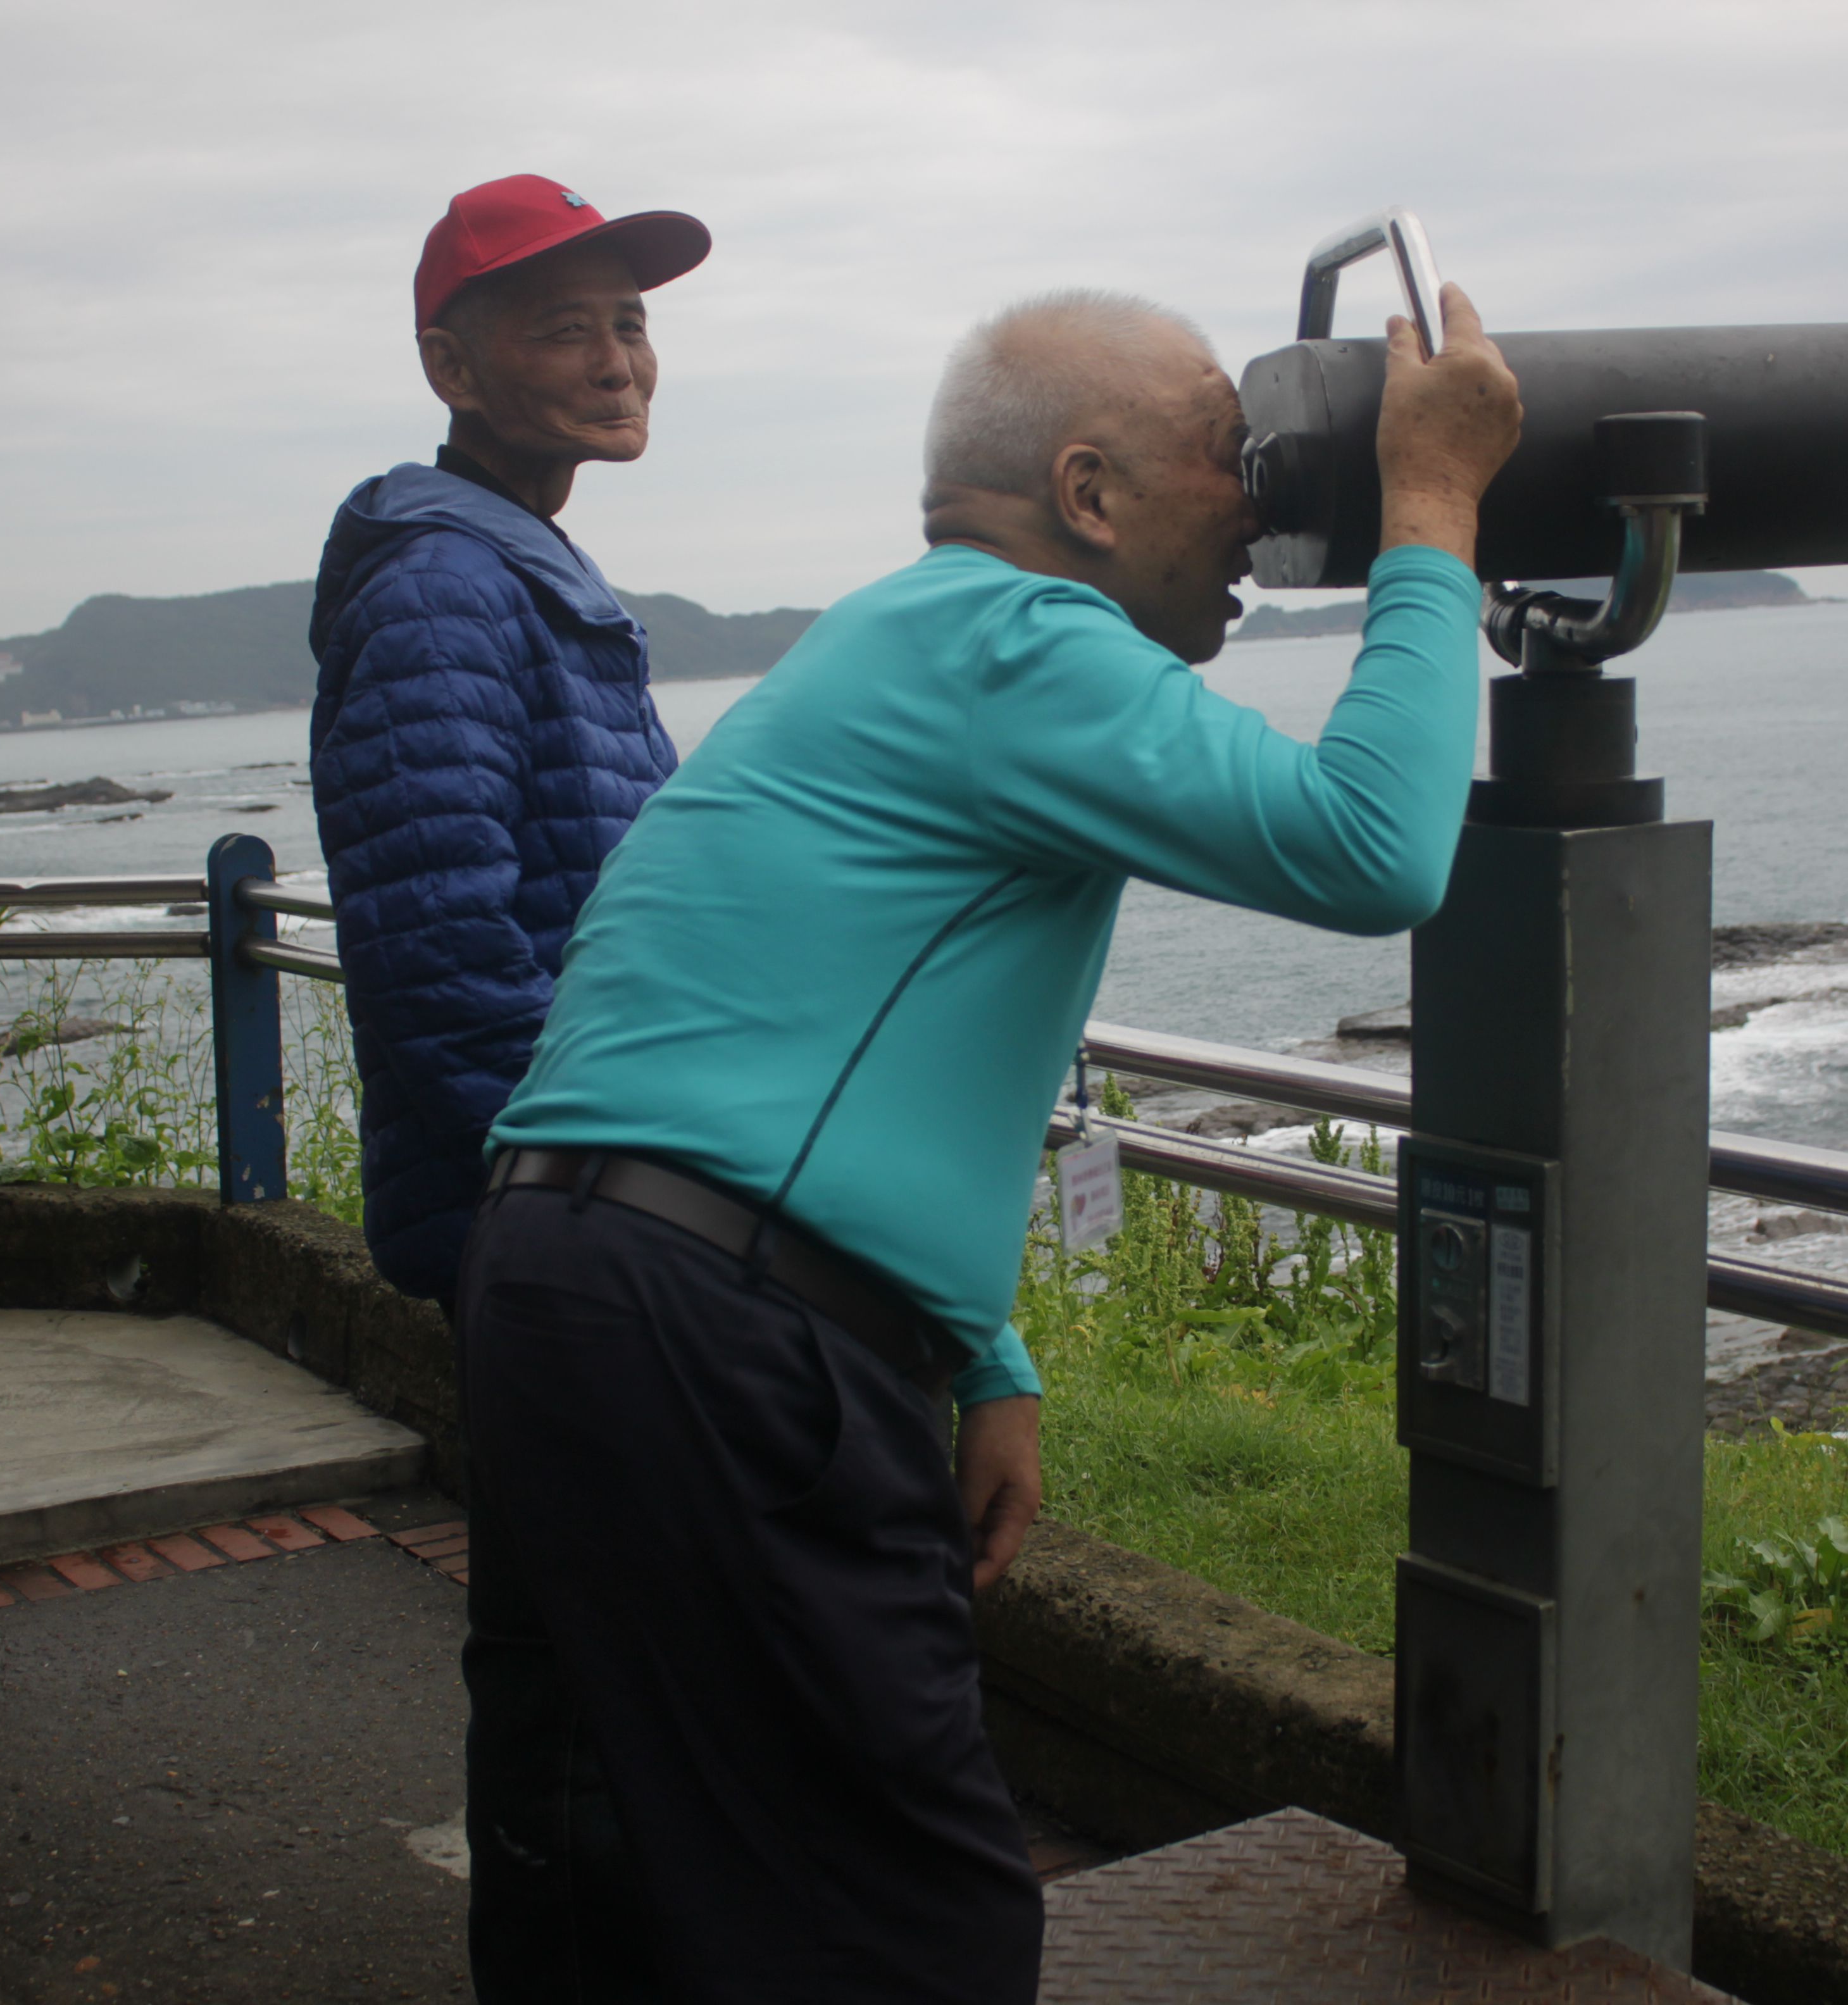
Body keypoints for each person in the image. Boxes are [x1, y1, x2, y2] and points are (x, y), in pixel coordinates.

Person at [460, 284, 1523, 1999]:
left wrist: (981, 1345)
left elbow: (775, 1033)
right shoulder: (1027, 644)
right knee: (905, 1914)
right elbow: (1373, 850)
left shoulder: (901, 638)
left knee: (603, 1865)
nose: (1254, 499)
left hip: (568, 1282)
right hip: (719, 1338)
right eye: (1221, 452)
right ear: (1090, 494)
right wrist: (1436, 509)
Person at [304, 173, 709, 1996]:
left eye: (630, 321)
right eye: (569, 325)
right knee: (574, 1679)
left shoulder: (519, 566)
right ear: (450, 361)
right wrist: (580, 1234)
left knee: (607, 1661)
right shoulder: (454, 587)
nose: (622, 357)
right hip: (553, 1226)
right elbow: (446, 955)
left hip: (574, 1212)